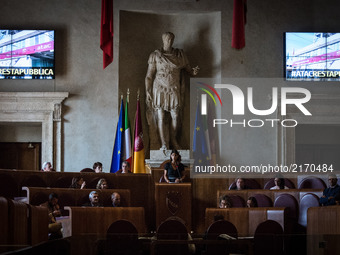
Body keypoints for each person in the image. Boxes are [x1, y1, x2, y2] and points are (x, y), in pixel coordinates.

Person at [145, 32, 199, 150]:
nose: (169, 41)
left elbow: (188, 69)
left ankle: (173, 140)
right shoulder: (155, 55)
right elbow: (149, 75)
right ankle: (164, 143)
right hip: (159, 87)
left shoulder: (180, 55)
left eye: (171, 39)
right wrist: (148, 90)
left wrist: (193, 72)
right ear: (163, 39)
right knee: (161, 116)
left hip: (174, 87)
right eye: (167, 39)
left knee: (175, 115)